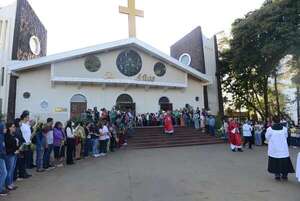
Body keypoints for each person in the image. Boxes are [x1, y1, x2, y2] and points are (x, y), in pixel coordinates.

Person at [266, 116, 295, 181]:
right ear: (280, 121)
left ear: (273, 121)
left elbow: (267, 137)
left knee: (275, 161)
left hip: (274, 149)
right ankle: (284, 175)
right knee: (284, 161)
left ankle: (277, 175)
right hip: (283, 148)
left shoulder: (269, 129)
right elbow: (286, 136)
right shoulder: (284, 129)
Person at [4, 123, 18, 191]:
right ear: (9, 128)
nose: (14, 128)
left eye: (14, 127)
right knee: (9, 170)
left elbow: (14, 145)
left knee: (12, 169)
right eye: (13, 127)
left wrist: (17, 147)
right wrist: (14, 151)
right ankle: (8, 185)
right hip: (9, 155)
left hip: (14, 154)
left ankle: (11, 183)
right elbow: (7, 148)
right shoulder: (7, 136)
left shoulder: (13, 135)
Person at [0, 121, 8, 196]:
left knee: (3, 172)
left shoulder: (2, 136)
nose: (6, 129)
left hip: (2, 156)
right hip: (1, 157)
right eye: (4, 127)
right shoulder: (0, 136)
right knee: (4, 172)